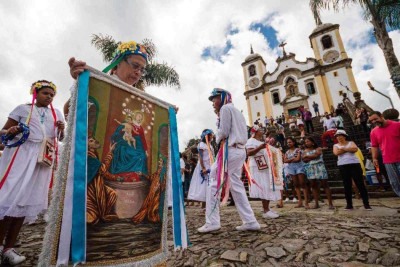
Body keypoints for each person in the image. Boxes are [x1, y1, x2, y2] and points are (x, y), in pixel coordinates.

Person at [0, 80, 65, 265]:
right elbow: (3, 133)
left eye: (52, 95)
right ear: (35, 93)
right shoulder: (23, 109)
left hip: (41, 162)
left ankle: (9, 249)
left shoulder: (57, 113)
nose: (49, 97)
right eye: (45, 93)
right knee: (8, 200)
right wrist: (11, 130)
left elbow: (58, 138)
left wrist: (61, 129)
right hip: (21, 158)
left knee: (24, 202)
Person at [198, 88, 260, 233]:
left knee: (213, 181)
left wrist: (218, 135)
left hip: (230, 150)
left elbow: (224, 132)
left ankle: (212, 222)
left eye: (214, 99)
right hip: (239, 151)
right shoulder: (237, 111)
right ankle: (250, 221)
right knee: (236, 186)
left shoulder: (225, 109)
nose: (213, 103)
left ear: (223, 97)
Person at [65, 40, 149, 117]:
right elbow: (68, 113)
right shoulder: (98, 83)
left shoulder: (138, 100)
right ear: (118, 63)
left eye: (142, 70)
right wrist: (81, 85)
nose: (138, 72)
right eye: (135, 66)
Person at [245, 126, 281, 219]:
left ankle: (267, 208)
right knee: (264, 187)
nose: (262, 131)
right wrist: (261, 147)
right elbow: (249, 153)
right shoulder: (251, 141)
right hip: (257, 166)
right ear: (255, 132)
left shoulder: (261, 141)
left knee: (267, 187)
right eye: (260, 130)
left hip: (265, 165)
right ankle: (266, 210)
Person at [333, 130, 371, 210]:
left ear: (344, 136)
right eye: (337, 136)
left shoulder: (351, 142)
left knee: (360, 184)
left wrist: (343, 149)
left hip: (354, 164)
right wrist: (348, 149)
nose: (338, 137)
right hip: (343, 165)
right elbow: (336, 153)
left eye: (340, 135)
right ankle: (349, 204)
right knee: (347, 185)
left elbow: (355, 149)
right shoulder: (335, 145)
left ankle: (366, 204)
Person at [369, 111, 400, 197]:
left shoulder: (397, 125)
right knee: (394, 182)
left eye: (375, 119)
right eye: (371, 121)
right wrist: (374, 158)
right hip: (387, 161)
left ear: (382, 116)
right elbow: (374, 146)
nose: (374, 122)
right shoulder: (374, 132)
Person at [302, 137, 334, 209]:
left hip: (320, 167)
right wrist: (310, 157)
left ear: (312, 142)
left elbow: (316, 155)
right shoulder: (305, 150)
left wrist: (307, 156)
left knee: (325, 184)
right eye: (305, 142)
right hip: (310, 168)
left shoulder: (318, 148)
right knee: (313, 185)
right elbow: (304, 159)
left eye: (308, 141)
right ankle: (316, 203)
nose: (306, 143)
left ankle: (330, 204)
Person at [188, 129, 214, 208]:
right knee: (203, 185)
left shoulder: (210, 145)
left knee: (209, 184)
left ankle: (207, 205)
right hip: (203, 166)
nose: (211, 136)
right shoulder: (201, 145)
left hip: (210, 165)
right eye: (210, 135)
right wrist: (203, 168)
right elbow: (201, 157)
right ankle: (204, 206)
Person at [284, 137, 309, 208]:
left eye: (290, 142)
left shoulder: (298, 150)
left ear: (294, 142)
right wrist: (292, 159)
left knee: (302, 183)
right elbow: (285, 161)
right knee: (296, 184)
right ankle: (300, 202)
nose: (288, 143)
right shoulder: (287, 152)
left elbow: (298, 159)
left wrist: (289, 159)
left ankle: (306, 202)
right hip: (291, 168)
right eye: (288, 142)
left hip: (299, 167)